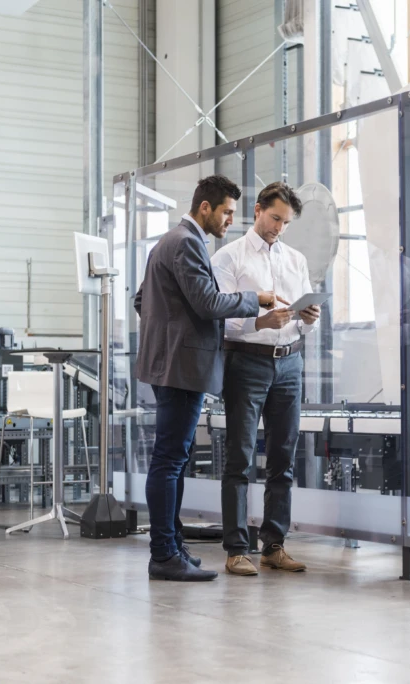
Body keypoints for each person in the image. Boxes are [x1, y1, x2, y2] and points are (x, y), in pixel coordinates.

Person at [134, 174, 283, 582]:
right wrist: (258, 299)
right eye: (227, 212)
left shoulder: (170, 241)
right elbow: (207, 303)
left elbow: (141, 300)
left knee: (174, 462)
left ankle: (173, 546)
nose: (230, 221)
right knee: (169, 462)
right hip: (181, 369)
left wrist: (167, 330)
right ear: (206, 208)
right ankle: (164, 554)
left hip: (172, 364)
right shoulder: (186, 242)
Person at [211, 182, 320, 576]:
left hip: (290, 363)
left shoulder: (296, 259)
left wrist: (308, 318)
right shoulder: (229, 257)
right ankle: (236, 549)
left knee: (283, 459)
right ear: (257, 210)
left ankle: (274, 545)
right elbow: (219, 317)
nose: (279, 228)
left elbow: (304, 310)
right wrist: (260, 321)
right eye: (275, 218)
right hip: (247, 363)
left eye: (286, 222)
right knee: (240, 457)